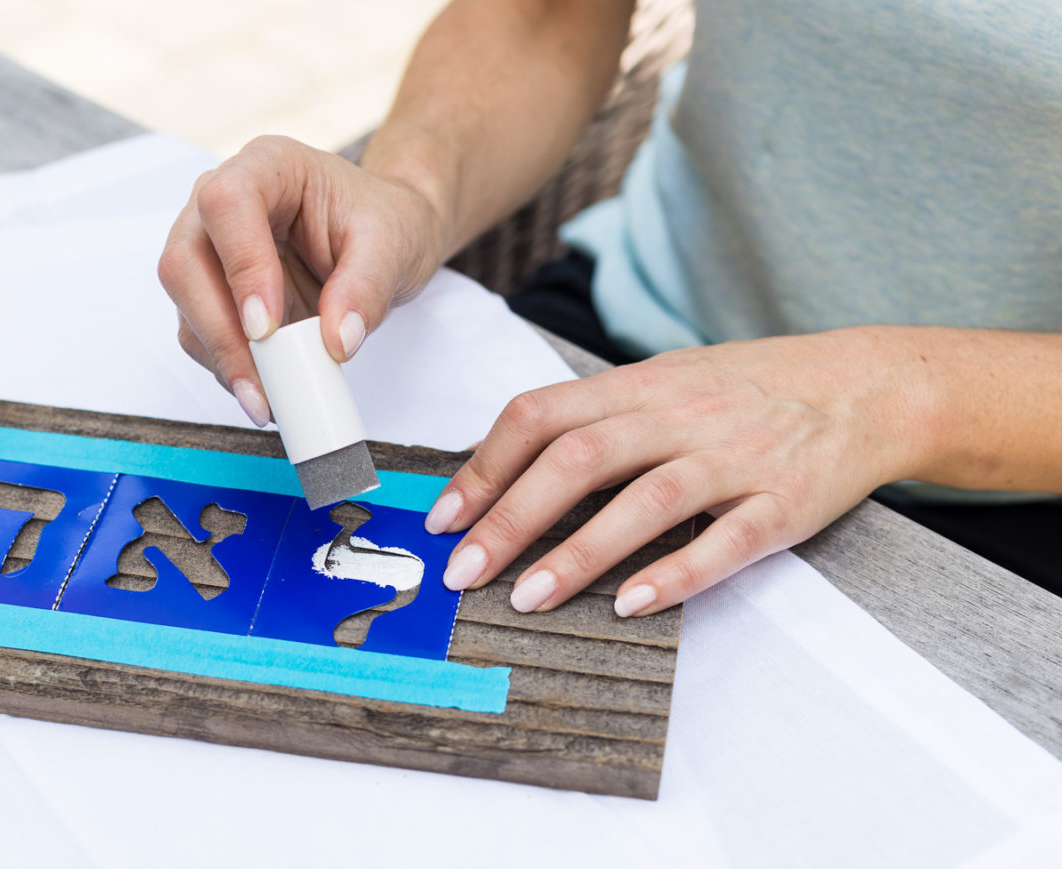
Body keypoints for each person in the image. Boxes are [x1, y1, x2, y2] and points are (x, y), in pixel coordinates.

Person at [156, 0, 1062, 614]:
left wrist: (882, 396)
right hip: (624, 345)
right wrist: (411, 188)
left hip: (1009, 486)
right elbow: (551, 15)